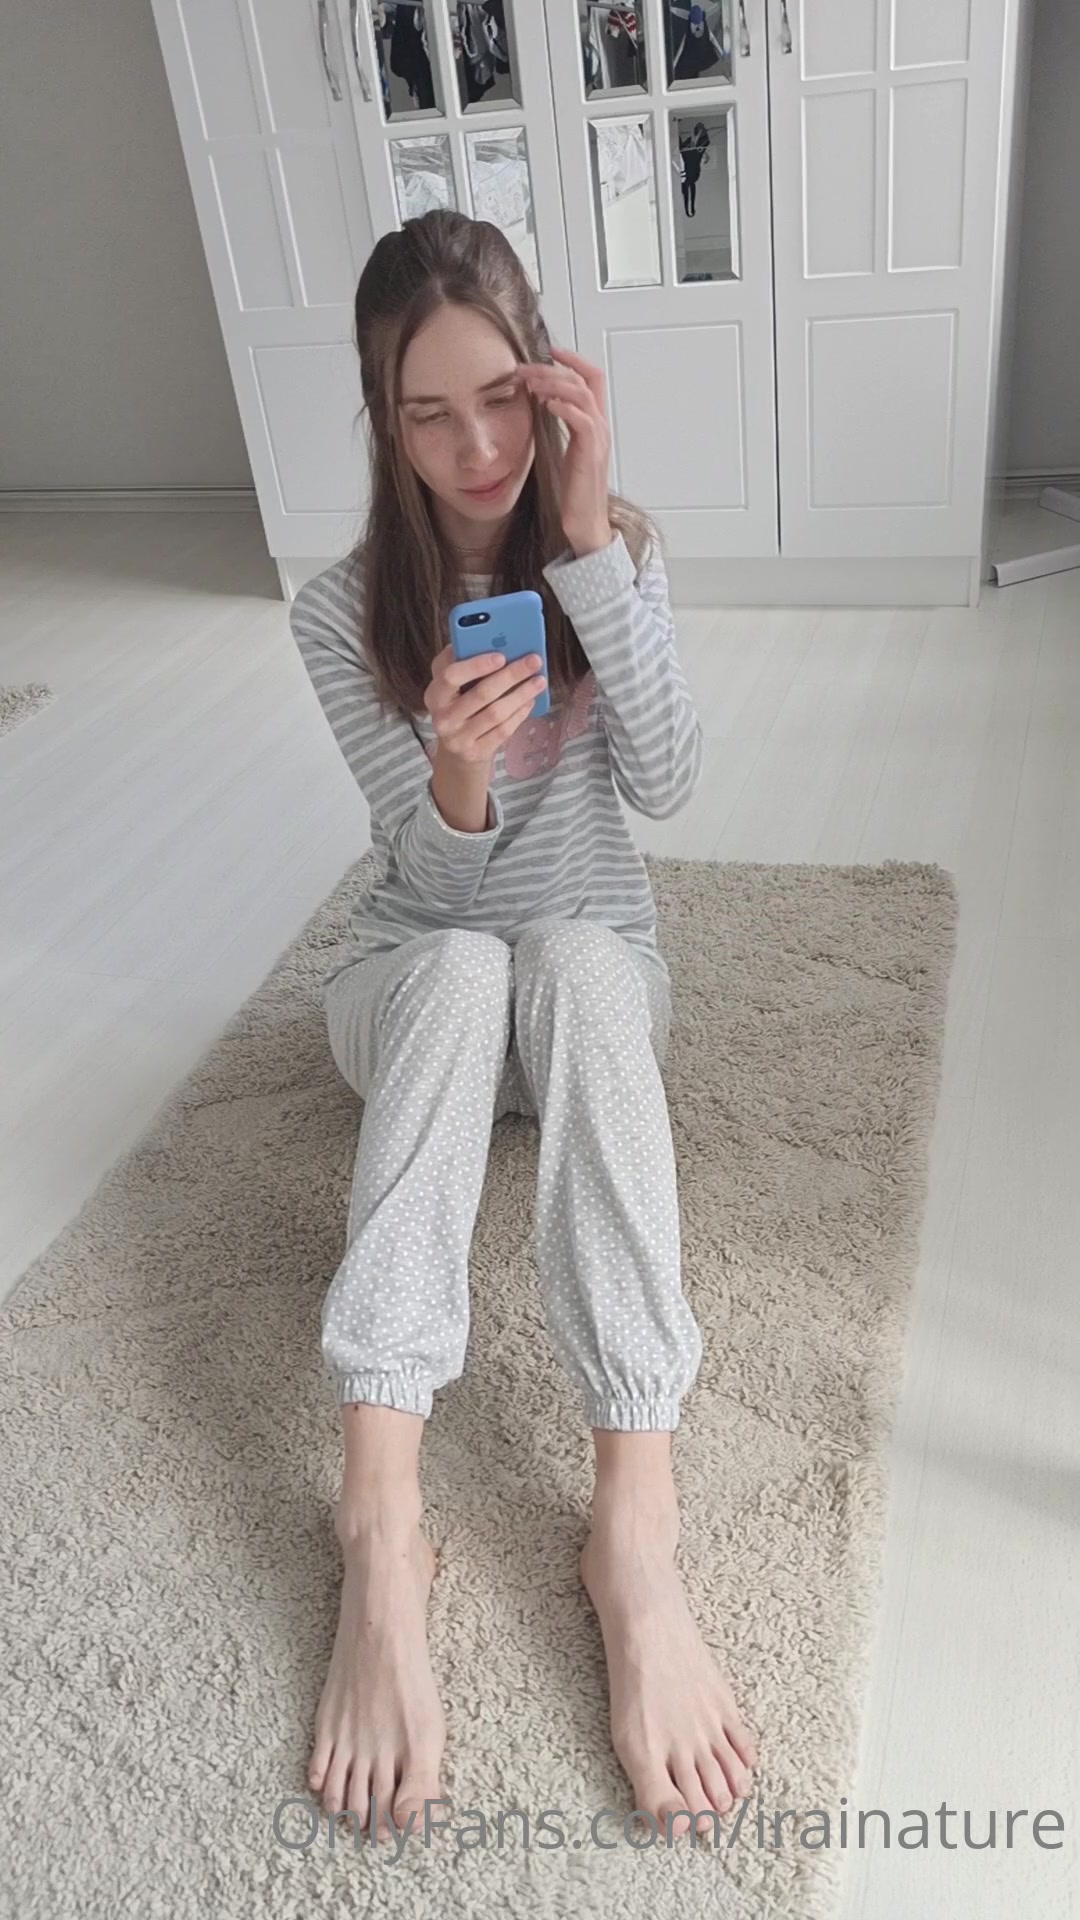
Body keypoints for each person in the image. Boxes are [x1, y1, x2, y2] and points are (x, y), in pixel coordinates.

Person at [289, 207, 758, 1848]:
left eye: (502, 396)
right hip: (413, 979)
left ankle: (636, 1525)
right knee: (463, 966)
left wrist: (586, 545)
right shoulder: (341, 610)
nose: (477, 447)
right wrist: (458, 768)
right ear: (383, 418)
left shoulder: (609, 552)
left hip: (588, 976)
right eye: (429, 414)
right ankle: (381, 1524)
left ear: (550, 380)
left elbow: (672, 786)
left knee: (562, 954)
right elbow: (424, 887)